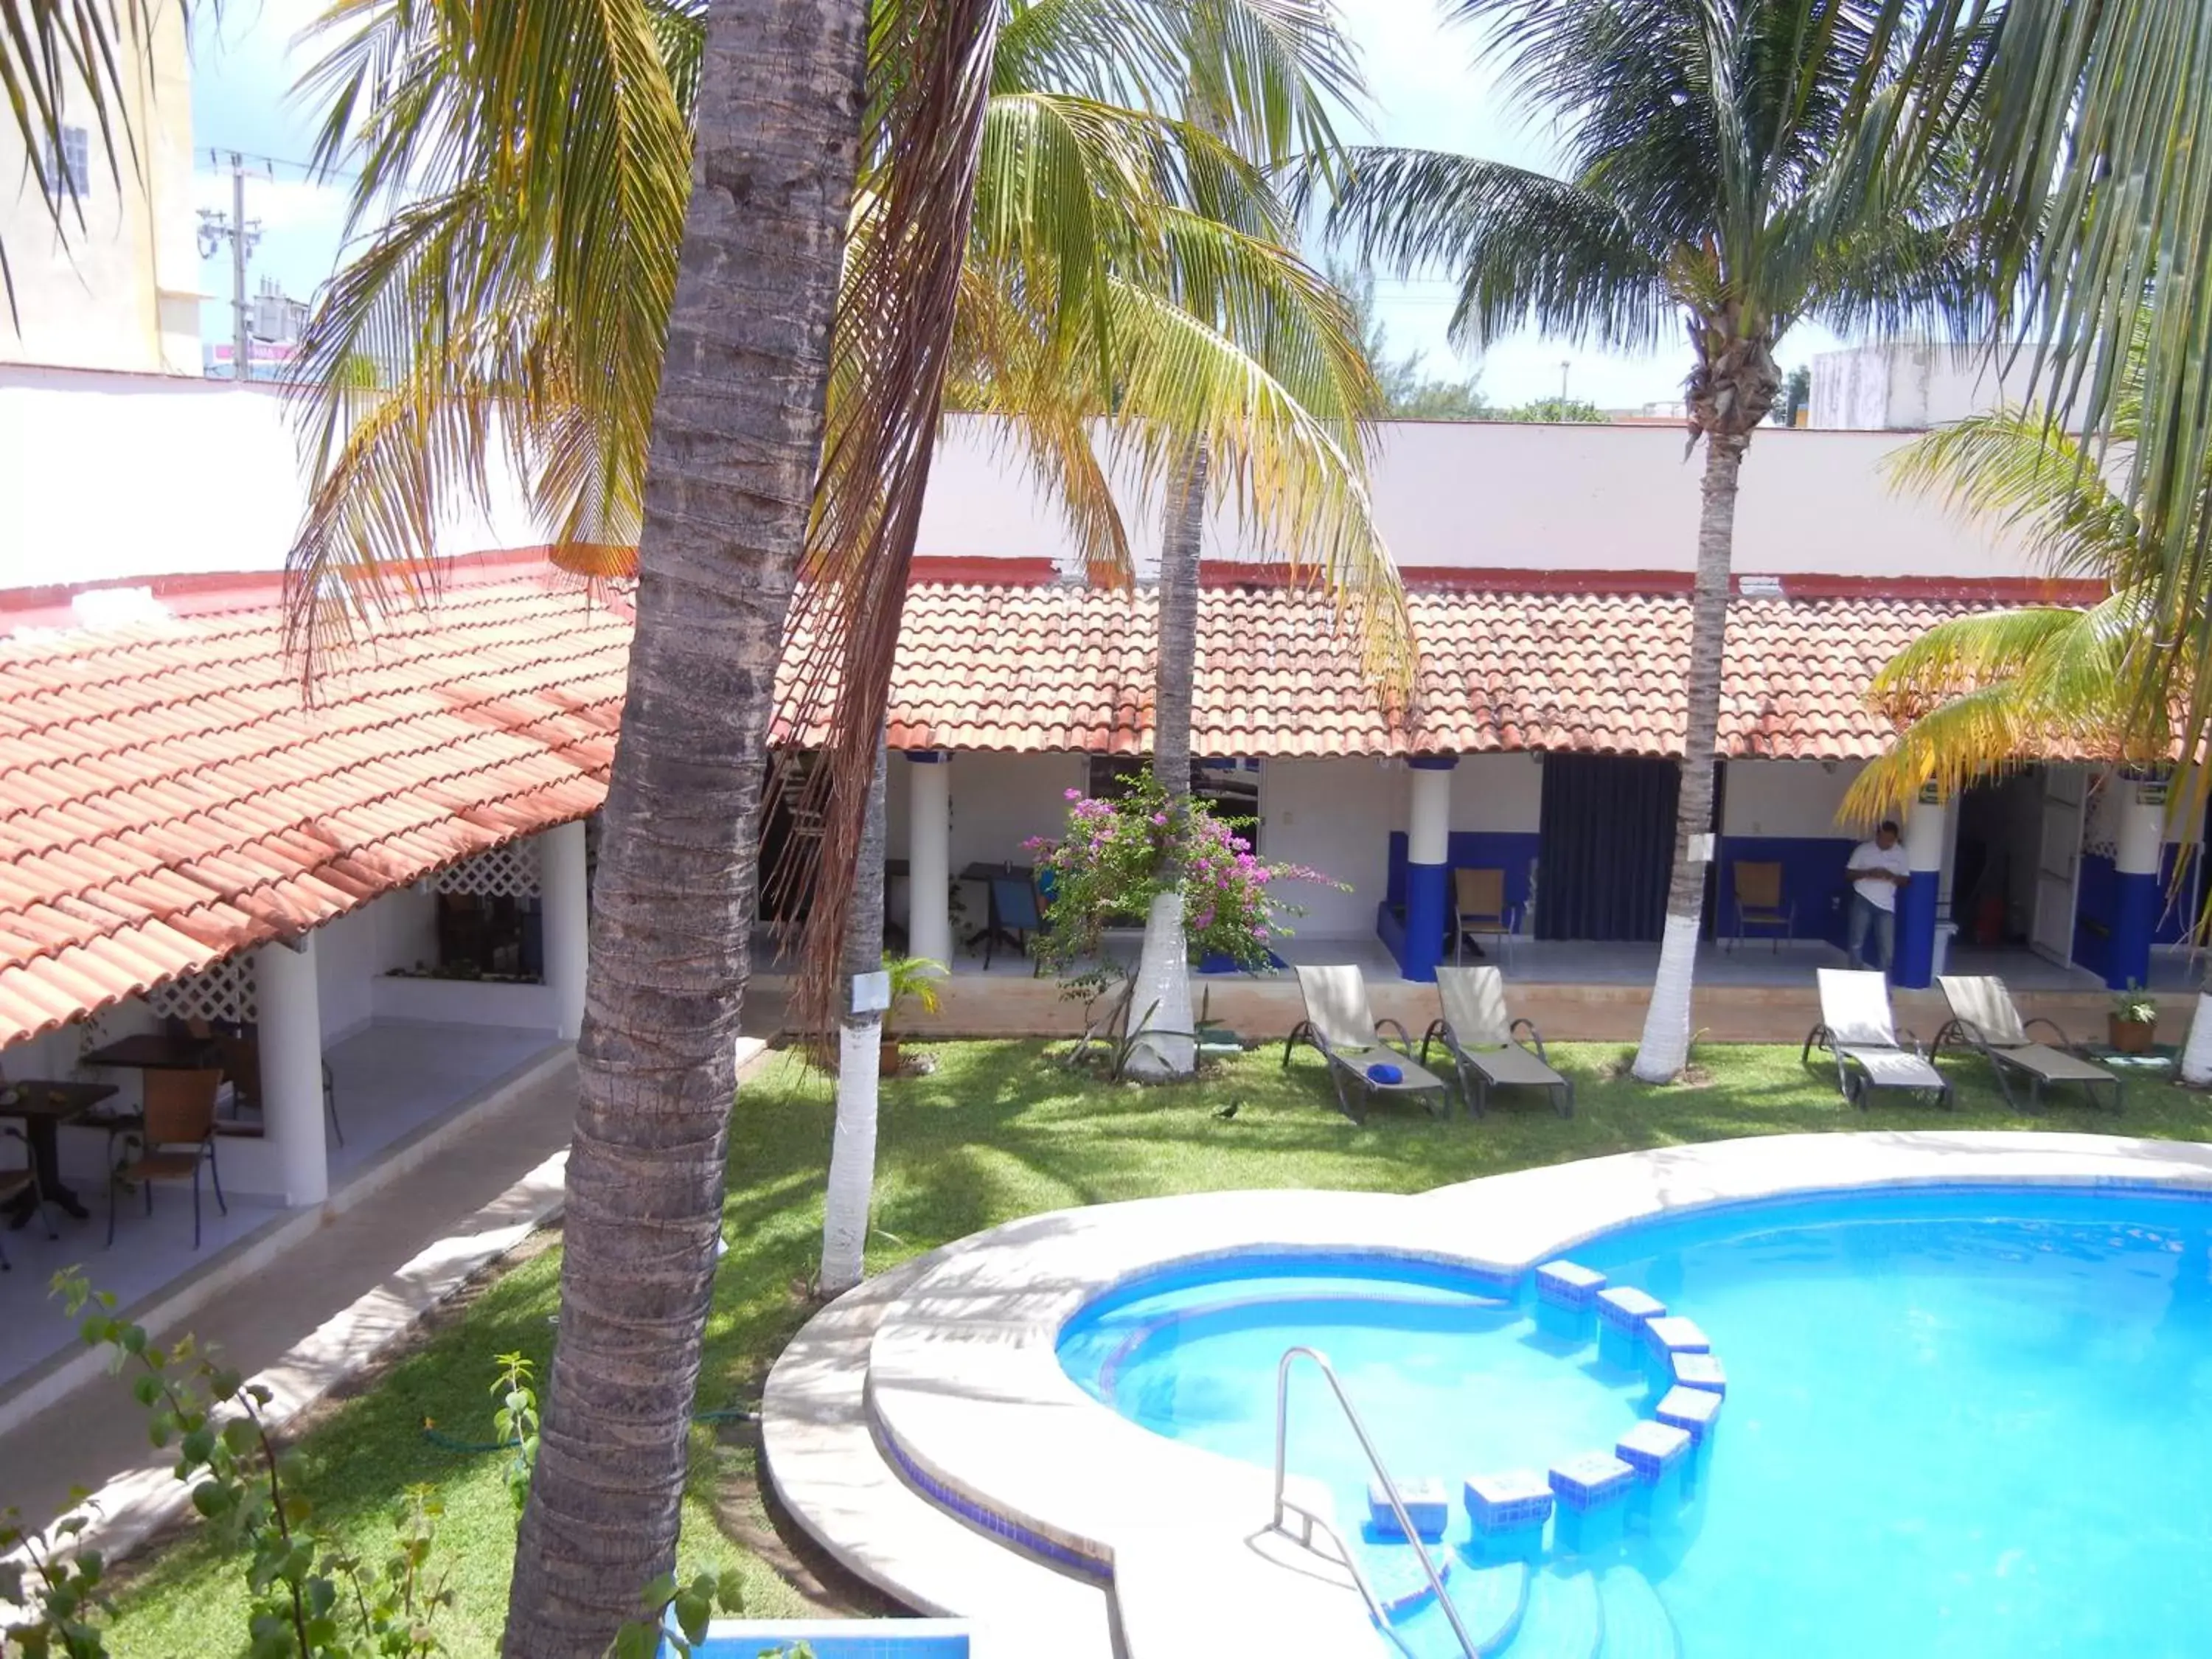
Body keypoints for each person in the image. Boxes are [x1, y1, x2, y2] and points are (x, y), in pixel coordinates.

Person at [1846, 821, 1912, 972]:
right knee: (1856, 942)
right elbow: (1848, 874)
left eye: (1890, 840)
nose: (1886, 843)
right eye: (1883, 839)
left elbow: (1906, 880)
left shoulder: (1900, 853)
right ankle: (1855, 976)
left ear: (1896, 838)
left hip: (1887, 905)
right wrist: (1868, 873)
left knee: (1887, 950)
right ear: (1877, 836)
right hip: (1863, 899)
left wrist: (1890, 876)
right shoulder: (1863, 850)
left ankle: (1882, 981)